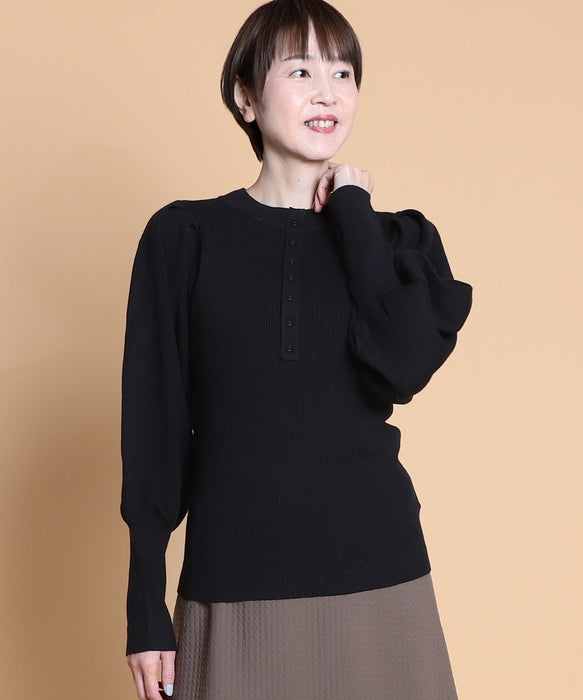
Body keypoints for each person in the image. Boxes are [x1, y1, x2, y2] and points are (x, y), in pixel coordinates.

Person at [120, 0, 473, 698]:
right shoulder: (184, 238)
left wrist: (352, 213)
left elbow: (401, 367)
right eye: (301, 70)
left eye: (343, 73)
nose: (327, 92)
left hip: (381, 575)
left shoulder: (397, 241)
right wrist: (144, 607)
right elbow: (155, 432)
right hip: (234, 583)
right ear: (246, 97)